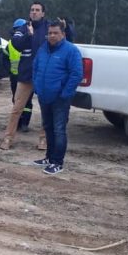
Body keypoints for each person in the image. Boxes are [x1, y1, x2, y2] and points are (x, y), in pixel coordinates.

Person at [32, 19, 82, 174]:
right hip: (44, 96)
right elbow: (35, 67)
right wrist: (37, 87)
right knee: (48, 128)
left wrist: (65, 93)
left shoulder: (71, 51)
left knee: (59, 130)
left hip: (60, 98)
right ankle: (49, 157)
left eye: (55, 33)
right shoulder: (43, 49)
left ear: (63, 34)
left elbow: (76, 74)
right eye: (50, 33)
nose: (52, 36)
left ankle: (58, 162)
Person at [0, 2, 48, 150]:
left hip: (43, 75)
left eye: (37, 10)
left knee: (46, 109)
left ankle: (43, 140)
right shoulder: (23, 28)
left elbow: (61, 38)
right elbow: (16, 43)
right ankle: (8, 138)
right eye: (32, 10)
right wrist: (29, 35)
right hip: (26, 75)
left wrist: (68, 28)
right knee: (17, 108)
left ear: (43, 13)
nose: (34, 12)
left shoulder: (49, 27)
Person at [4, 19, 33, 133]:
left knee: (27, 101)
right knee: (16, 100)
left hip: (27, 76)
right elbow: (5, 58)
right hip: (15, 77)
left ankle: (25, 123)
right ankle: (18, 122)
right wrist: (9, 70)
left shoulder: (31, 43)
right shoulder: (11, 44)